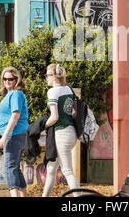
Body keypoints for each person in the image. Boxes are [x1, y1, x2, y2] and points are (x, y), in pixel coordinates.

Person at [42, 64, 81, 197]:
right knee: (51, 168)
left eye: (47, 75)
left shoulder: (52, 92)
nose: (46, 78)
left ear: (54, 77)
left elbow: (54, 117)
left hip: (61, 133)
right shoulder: (69, 90)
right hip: (71, 132)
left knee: (68, 171)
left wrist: (42, 126)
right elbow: (75, 113)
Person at [0, 66, 29, 197]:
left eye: (11, 79)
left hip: (13, 135)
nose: (7, 81)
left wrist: (4, 137)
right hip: (16, 135)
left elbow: (15, 115)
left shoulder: (16, 94)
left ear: (17, 79)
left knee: (9, 168)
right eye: (5, 78)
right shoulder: (11, 94)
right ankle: (25, 195)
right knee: (15, 167)